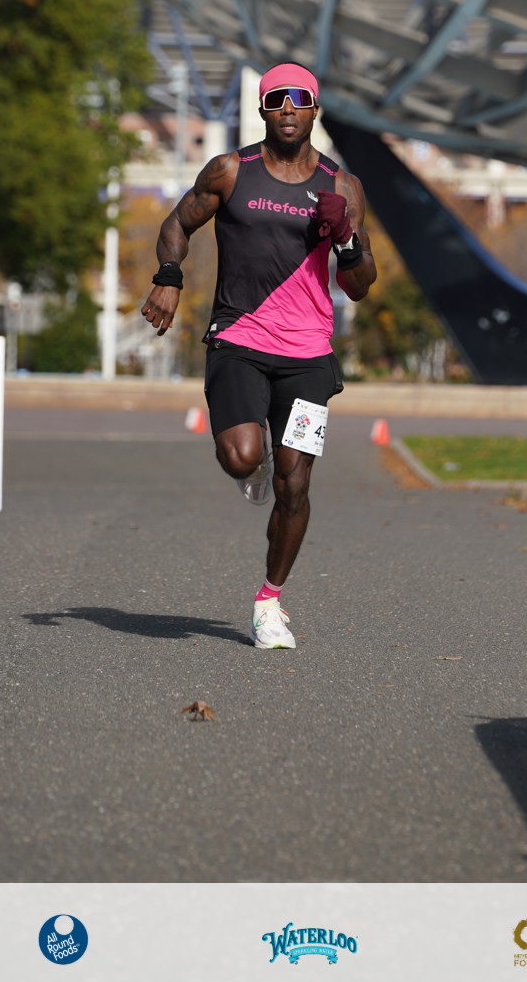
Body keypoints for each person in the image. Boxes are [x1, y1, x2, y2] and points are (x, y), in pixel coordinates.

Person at [140, 62, 377, 648]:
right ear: (263, 109)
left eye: (300, 99)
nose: (288, 109)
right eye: (277, 99)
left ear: (314, 109)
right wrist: (169, 275)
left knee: (296, 486)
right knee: (242, 457)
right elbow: (177, 223)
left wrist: (346, 239)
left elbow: (360, 285)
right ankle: (256, 465)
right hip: (239, 339)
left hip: (309, 354)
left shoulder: (342, 186)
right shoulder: (230, 170)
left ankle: (269, 601)